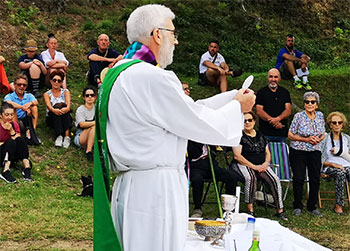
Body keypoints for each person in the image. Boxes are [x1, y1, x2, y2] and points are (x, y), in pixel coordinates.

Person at [95, 4, 255, 251]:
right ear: (157, 34)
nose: (176, 41)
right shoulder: (152, 77)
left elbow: (183, 111)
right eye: (172, 33)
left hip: (132, 187)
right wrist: (237, 108)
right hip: (155, 191)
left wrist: (231, 98)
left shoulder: (120, 72)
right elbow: (196, 122)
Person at [232, 111, 287, 220]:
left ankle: (280, 210)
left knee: (275, 179)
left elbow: (267, 153)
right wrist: (254, 167)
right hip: (243, 164)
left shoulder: (260, 135)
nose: (247, 123)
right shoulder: (238, 136)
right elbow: (237, 156)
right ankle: (250, 210)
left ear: (254, 121)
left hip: (261, 165)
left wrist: (266, 164)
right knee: (250, 178)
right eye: (244, 121)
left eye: (250, 120)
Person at [288, 91, 325, 217]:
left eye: (312, 102)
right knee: (299, 177)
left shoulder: (320, 116)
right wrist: (306, 139)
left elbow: (323, 133)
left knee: (315, 178)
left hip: (315, 150)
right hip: (298, 150)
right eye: (307, 101)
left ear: (317, 105)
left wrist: (318, 139)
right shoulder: (298, 116)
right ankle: (297, 205)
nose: (309, 104)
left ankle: (312, 206)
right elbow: (290, 135)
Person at [188, 140, 241, 218]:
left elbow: (215, 152)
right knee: (197, 180)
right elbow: (193, 154)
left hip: (211, 164)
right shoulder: (192, 138)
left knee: (232, 177)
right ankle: (197, 208)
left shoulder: (210, 137)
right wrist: (202, 141)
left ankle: (228, 208)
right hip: (196, 166)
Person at [321, 112, 350, 215]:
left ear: (343, 124)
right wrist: (333, 165)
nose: (337, 124)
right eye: (334, 122)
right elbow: (319, 159)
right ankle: (339, 206)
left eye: (339, 122)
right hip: (329, 166)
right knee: (340, 173)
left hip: (347, 165)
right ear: (330, 124)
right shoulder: (325, 139)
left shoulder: (347, 139)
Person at [256, 68, 292, 143]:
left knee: (280, 154)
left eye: (275, 77)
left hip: (281, 132)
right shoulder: (261, 92)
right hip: (265, 133)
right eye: (271, 77)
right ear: (267, 78)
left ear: (279, 78)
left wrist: (278, 119)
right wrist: (273, 121)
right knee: (266, 154)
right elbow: (259, 111)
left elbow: (288, 110)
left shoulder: (285, 92)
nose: (273, 79)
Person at [4, 73, 40, 145]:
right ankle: (16, 134)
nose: (22, 86)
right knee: (12, 107)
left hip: (25, 121)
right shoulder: (10, 96)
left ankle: (33, 132)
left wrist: (29, 104)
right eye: (19, 84)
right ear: (14, 85)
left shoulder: (29, 95)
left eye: (24, 85)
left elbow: (36, 102)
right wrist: (22, 107)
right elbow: (7, 102)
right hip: (12, 121)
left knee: (34, 107)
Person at [0, 102, 31, 183]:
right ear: (1, 115)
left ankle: (27, 168)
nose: (10, 117)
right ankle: (5, 171)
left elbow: (18, 140)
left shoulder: (14, 125)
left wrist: (11, 130)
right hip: (1, 154)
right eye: (7, 115)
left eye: (11, 114)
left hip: (11, 153)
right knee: (11, 142)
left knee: (20, 140)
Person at [43, 70, 72, 148]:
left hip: (64, 114)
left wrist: (65, 109)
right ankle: (59, 135)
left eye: (59, 81)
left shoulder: (66, 92)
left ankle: (66, 136)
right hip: (52, 117)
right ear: (50, 81)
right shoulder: (47, 94)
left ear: (61, 82)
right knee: (57, 107)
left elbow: (68, 105)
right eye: (54, 80)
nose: (56, 82)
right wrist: (55, 110)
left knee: (62, 106)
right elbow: (49, 106)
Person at [74, 86, 96, 162]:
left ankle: (91, 149)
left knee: (94, 128)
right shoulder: (81, 109)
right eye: (87, 95)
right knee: (94, 127)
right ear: (84, 98)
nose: (90, 97)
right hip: (81, 136)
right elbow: (82, 124)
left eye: (92, 95)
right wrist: (95, 123)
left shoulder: (97, 109)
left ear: (95, 97)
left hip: (93, 136)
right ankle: (88, 151)